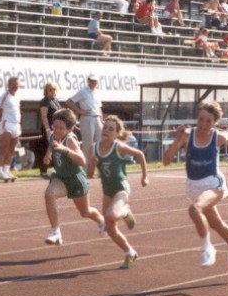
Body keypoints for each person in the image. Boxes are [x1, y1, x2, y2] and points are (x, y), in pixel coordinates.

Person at [163, 100, 228, 269]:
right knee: (215, 223)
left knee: (194, 210)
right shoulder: (187, 135)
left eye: (208, 121)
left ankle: (207, 248)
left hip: (214, 184)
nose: (203, 124)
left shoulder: (217, 137)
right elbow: (166, 161)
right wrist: (177, 139)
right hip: (193, 186)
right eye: (201, 119)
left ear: (214, 123)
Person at [87, 116, 149, 269]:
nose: (106, 131)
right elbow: (89, 174)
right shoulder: (93, 149)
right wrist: (93, 164)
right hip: (108, 191)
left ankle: (125, 211)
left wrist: (144, 177)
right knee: (110, 227)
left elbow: (140, 154)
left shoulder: (118, 147)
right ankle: (130, 252)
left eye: (111, 129)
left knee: (111, 215)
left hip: (121, 188)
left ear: (116, 134)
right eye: (105, 128)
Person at [42, 109, 104, 245]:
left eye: (61, 128)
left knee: (85, 212)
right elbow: (52, 144)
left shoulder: (70, 140)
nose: (57, 130)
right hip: (60, 177)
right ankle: (55, 232)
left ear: (69, 129)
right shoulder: (53, 135)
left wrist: (66, 150)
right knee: (49, 194)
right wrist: (48, 154)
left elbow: (82, 160)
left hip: (75, 179)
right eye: (55, 126)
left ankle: (102, 221)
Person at [65, 73, 103, 159]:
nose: (93, 82)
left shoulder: (97, 92)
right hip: (87, 118)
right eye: (92, 80)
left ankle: (95, 166)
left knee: (99, 143)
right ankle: (85, 168)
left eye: (95, 81)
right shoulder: (83, 91)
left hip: (97, 118)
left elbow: (99, 107)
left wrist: (101, 120)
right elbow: (69, 101)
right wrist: (80, 111)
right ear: (88, 81)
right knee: (87, 145)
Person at [0, 77, 21, 183]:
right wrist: (1, 123)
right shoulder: (4, 96)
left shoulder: (17, 97)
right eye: (14, 84)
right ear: (9, 85)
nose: (16, 86)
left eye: (17, 85)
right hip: (6, 124)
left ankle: (6, 170)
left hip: (16, 125)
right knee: (4, 148)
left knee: (12, 150)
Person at [36, 82, 61, 177]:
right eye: (50, 90)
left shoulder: (55, 101)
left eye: (54, 89)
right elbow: (44, 116)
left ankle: (55, 168)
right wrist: (47, 129)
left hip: (57, 129)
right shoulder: (45, 101)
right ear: (46, 91)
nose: (52, 92)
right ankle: (43, 170)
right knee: (46, 148)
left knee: (55, 149)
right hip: (48, 128)